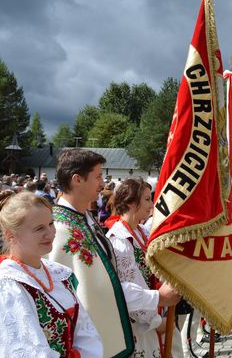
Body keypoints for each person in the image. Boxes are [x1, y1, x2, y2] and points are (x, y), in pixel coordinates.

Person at [48, 149, 174, 357]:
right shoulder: (61, 230)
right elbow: (98, 290)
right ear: (77, 179)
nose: (102, 183)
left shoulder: (83, 219)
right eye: (97, 176)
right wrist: (156, 298)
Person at [0, 191, 102, 357]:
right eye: (39, 228)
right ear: (10, 235)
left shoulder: (57, 273)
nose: (50, 233)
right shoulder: (6, 288)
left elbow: (85, 331)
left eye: (51, 223)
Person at [106, 179, 183, 357]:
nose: (152, 205)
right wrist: (157, 322)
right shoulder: (119, 241)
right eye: (147, 199)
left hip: (158, 313)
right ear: (131, 203)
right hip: (140, 327)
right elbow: (129, 289)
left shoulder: (142, 231)